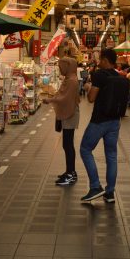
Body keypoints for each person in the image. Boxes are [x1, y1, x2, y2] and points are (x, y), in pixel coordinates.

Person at [80, 48, 123, 202]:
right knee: (111, 156)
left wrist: (87, 88)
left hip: (99, 121)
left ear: (105, 60)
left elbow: (91, 98)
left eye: (100, 59)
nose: (98, 62)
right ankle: (110, 192)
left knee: (85, 149)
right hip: (115, 121)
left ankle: (95, 186)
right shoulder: (119, 76)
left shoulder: (99, 75)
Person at [42, 57, 80, 185]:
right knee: (67, 144)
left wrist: (51, 100)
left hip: (70, 114)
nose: (60, 69)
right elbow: (62, 95)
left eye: (61, 66)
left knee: (68, 144)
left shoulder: (72, 81)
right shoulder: (69, 79)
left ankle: (71, 174)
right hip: (69, 113)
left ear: (68, 66)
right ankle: (70, 171)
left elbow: (64, 98)